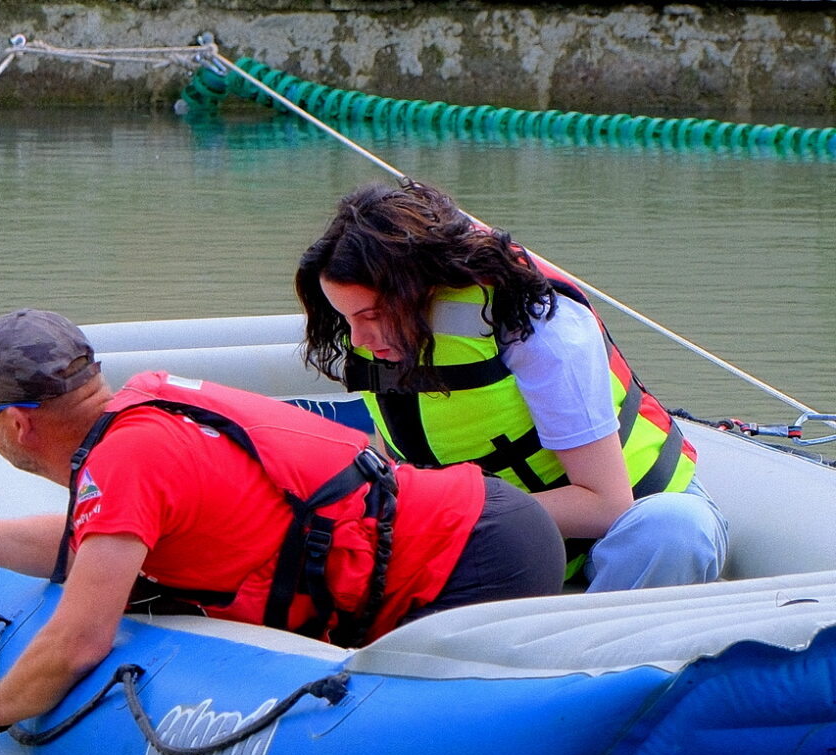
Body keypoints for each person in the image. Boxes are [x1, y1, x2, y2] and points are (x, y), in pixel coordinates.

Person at [0, 309, 564, 747]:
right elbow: (89, 549)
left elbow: (80, 638)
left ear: (17, 423)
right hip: (490, 525)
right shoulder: (143, 412)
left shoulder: (126, 459)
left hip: (468, 562)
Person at [297, 180, 725, 592]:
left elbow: (606, 505)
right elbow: (402, 459)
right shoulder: (383, 343)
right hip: (506, 537)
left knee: (675, 530)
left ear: (422, 289)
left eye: (371, 315)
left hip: (624, 521)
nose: (358, 339)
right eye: (348, 318)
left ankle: (580, 657)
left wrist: (451, 515)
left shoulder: (537, 323)